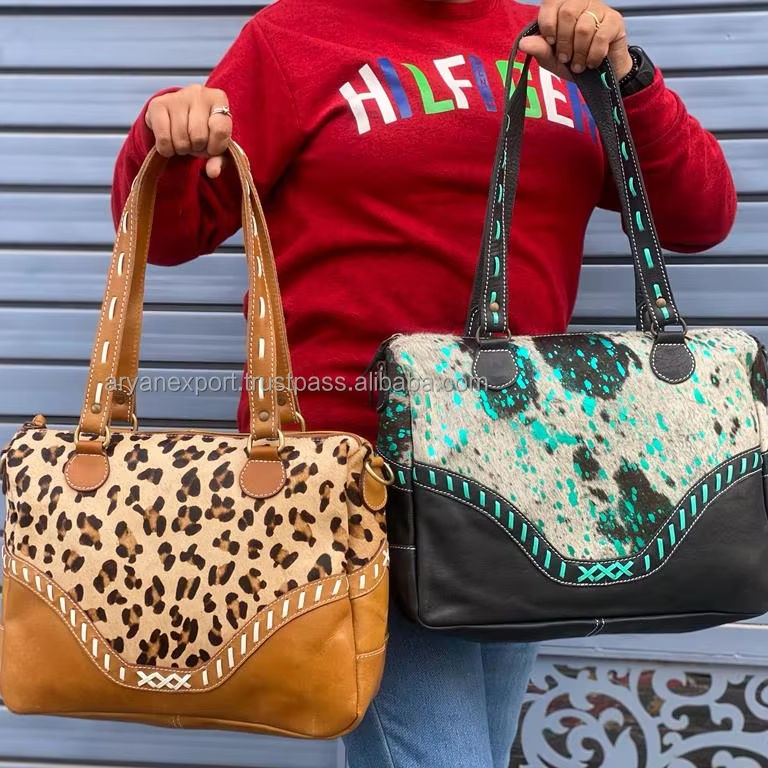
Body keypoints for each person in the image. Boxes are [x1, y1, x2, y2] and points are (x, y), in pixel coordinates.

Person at [111, 0, 737, 765]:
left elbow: (700, 215)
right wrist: (169, 135)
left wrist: (625, 77)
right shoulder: (291, 38)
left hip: (521, 476)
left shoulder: (554, 42)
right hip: (355, 479)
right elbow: (170, 234)